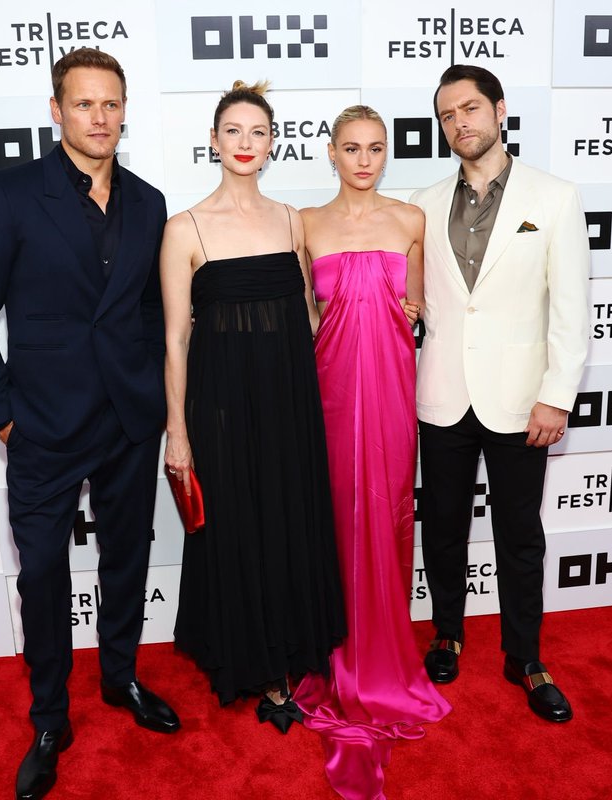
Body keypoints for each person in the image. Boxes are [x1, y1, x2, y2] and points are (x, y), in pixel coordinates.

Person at [0, 48, 179, 800]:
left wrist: (147, 388)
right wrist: (2, 416)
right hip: (43, 427)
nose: (101, 118)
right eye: (85, 104)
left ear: (125, 109)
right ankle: (50, 715)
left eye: (112, 104)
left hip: (127, 422)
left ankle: (120, 678)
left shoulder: (149, 202)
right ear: (57, 111)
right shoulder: (11, 193)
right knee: (44, 575)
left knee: (126, 560)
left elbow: (149, 309)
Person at [160, 80, 346, 730]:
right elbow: (175, 342)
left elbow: (312, 314)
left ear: (272, 144)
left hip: (289, 401)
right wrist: (177, 432)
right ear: (213, 141)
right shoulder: (183, 228)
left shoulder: (293, 220)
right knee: (239, 527)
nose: (245, 143)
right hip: (221, 407)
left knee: (288, 520)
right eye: (232, 131)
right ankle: (258, 666)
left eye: (257, 132)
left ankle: (295, 649)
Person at [410, 65, 590, 723]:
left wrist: (557, 395)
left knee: (520, 533)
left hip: (521, 400)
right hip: (442, 393)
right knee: (445, 527)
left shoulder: (554, 197)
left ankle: (526, 657)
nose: (460, 123)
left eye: (470, 109)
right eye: (448, 115)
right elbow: (413, 299)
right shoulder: (421, 204)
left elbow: (571, 309)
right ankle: (447, 634)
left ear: (499, 110)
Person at [294, 105, 451, 800]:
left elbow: (420, 310)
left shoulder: (411, 222)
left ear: (387, 154)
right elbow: (306, 316)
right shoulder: (306, 225)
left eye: (376, 148)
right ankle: (336, 654)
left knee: (385, 513)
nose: (364, 160)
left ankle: (383, 661)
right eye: (351, 148)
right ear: (331, 153)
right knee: (332, 517)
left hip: (389, 388)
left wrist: (410, 310)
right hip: (328, 391)